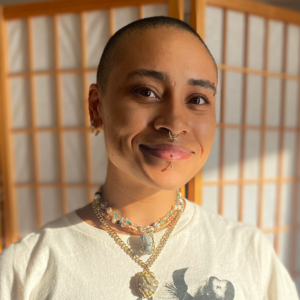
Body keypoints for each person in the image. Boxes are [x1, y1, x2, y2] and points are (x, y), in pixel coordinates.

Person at [0, 16, 299, 300]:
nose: (174, 123)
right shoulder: (26, 268)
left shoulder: (249, 251)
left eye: (197, 99)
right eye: (147, 92)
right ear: (96, 108)